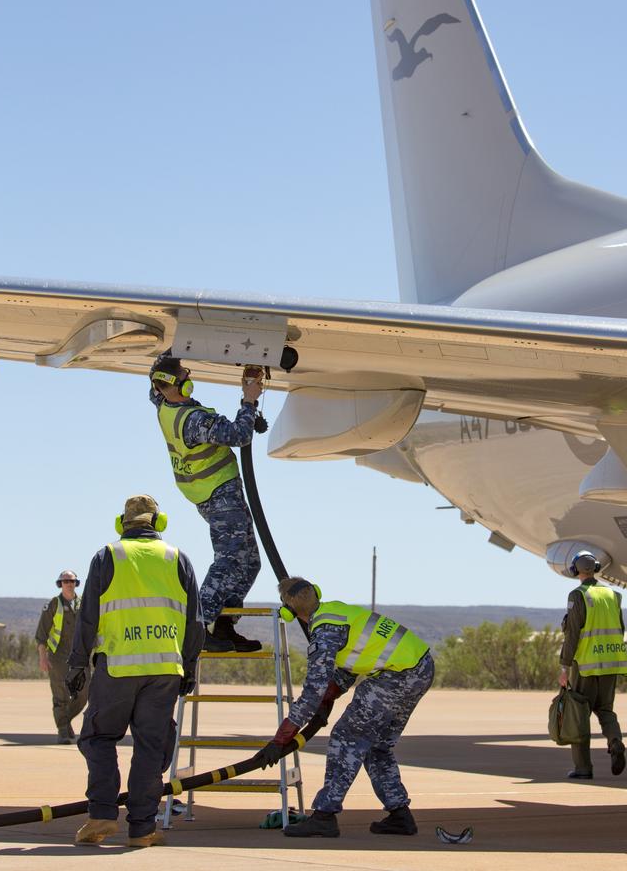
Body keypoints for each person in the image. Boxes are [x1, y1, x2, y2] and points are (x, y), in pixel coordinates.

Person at [66, 494, 205, 848]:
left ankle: (101, 813)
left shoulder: (107, 556)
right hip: (164, 670)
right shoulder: (178, 559)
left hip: (118, 665)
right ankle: (142, 828)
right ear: (158, 523)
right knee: (150, 745)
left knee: (98, 738)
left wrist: (77, 663)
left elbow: (88, 617)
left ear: (122, 524)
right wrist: (189, 667)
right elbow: (195, 623)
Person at [257, 577, 435, 838]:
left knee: (346, 738)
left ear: (289, 611)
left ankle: (325, 816)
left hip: (398, 675)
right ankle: (400, 815)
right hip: (420, 667)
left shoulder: (324, 631)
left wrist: (281, 738)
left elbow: (312, 692)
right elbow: (349, 668)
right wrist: (328, 700)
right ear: (316, 593)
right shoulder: (336, 611)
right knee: (377, 747)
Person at [148, 352, 262, 652]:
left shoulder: (163, 402)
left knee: (250, 563)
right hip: (219, 493)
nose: (190, 379)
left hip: (206, 492)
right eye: (185, 375)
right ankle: (199, 626)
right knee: (229, 560)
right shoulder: (194, 420)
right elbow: (239, 434)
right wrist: (249, 398)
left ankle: (224, 625)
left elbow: (154, 382)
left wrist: (173, 350)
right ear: (180, 385)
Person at [559, 549, 627, 780]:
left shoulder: (578, 595)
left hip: (586, 666)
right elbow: (620, 629)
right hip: (611, 664)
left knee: (580, 716)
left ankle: (583, 768)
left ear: (575, 570)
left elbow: (573, 634)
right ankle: (615, 741)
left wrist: (564, 666)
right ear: (597, 568)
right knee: (606, 710)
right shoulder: (613, 595)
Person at [35, 569, 90, 744]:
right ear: (60, 584)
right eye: (66, 581)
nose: (69, 584)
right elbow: (41, 635)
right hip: (58, 656)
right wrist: (43, 657)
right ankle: (63, 732)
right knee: (61, 695)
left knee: (84, 694)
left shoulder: (83, 603)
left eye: (72, 581)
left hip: (79, 655)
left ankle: (65, 721)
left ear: (76, 584)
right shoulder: (52, 605)